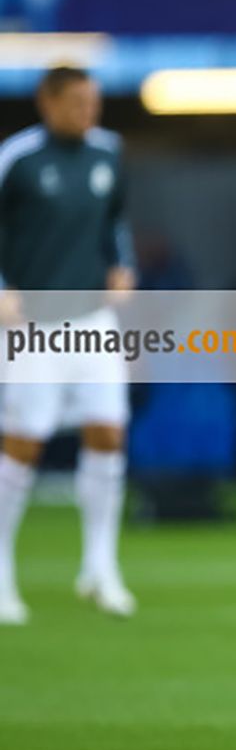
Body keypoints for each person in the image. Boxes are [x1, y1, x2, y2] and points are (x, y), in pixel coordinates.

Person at [0, 67, 137, 625]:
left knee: (108, 433)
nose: (89, 112)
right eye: (78, 102)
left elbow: (116, 222)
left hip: (92, 319)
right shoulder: (18, 159)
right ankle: (2, 572)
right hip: (31, 323)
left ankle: (100, 567)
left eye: (95, 102)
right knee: (24, 444)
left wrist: (122, 266)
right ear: (47, 101)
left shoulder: (109, 153)